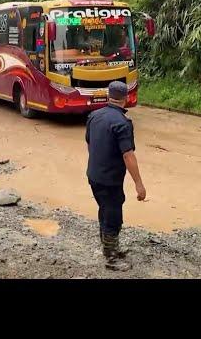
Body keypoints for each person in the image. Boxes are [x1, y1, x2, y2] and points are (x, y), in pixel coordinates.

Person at [85, 81, 147, 272]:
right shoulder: (122, 123)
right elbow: (128, 155)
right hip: (109, 179)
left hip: (93, 175)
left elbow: (89, 143)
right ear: (126, 98)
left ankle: (108, 249)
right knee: (113, 214)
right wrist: (139, 184)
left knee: (104, 209)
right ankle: (111, 258)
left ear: (108, 95)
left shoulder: (94, 116)